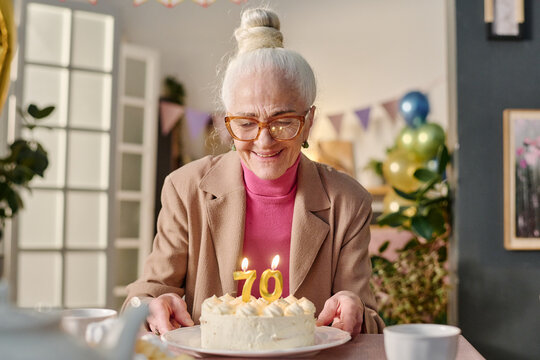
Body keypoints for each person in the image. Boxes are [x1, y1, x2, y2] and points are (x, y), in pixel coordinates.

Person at [124, 7, 385, 337]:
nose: (264, 140)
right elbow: (139, 299)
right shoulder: (185, 188)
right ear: (227, 122)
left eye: (283, 122)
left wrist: (356, 308)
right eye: (246, 123)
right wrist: (148, 307)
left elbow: (372, 324)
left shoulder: (347, 202)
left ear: (308, 122)